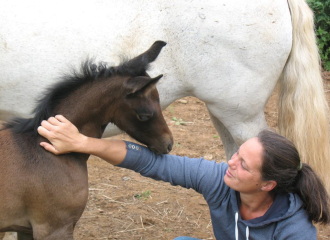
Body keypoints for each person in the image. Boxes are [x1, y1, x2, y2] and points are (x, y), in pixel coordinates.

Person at [37, 115, 330, 240]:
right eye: (237, 153)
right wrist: (82, 142)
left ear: (268, 185)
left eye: (243, 165)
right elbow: (152, 162)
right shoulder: (220, 181)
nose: (231, 162)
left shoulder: (295, 228)